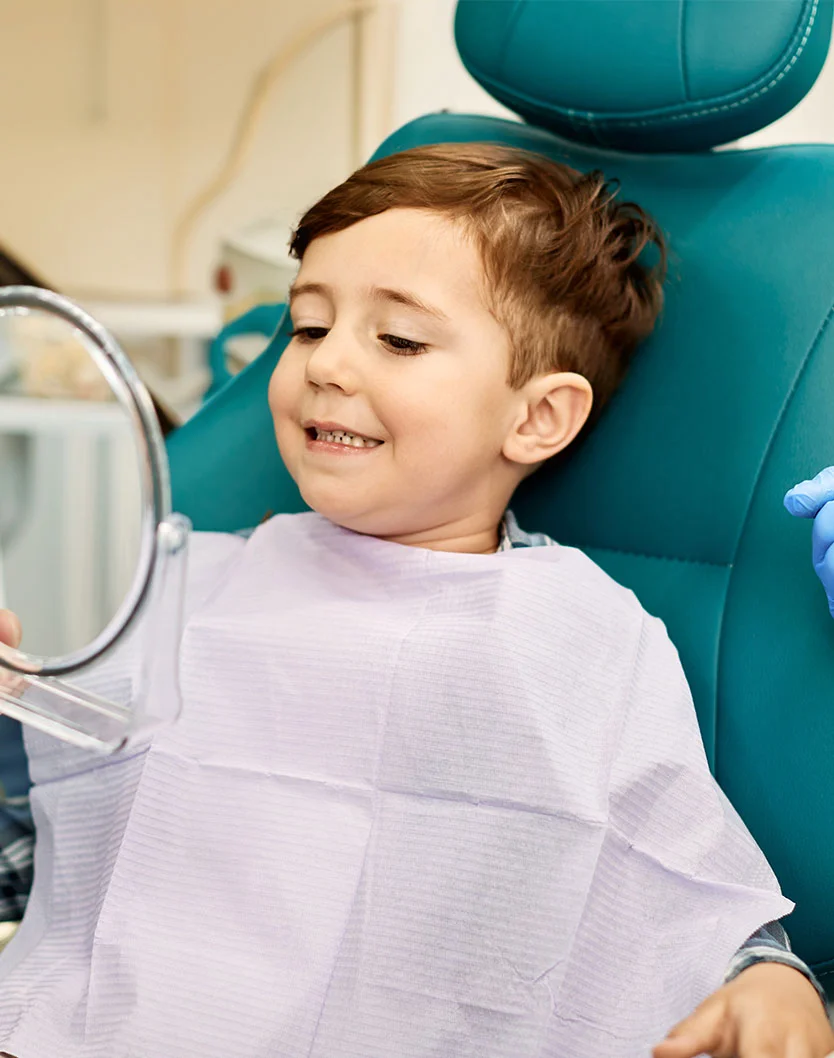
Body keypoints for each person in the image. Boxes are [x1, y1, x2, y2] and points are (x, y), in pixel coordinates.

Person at [0, 144, 831, 1058]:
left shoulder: (576, 637)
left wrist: (769, 980)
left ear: (537, 417)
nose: (326, 364)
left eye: (398, 339)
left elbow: (675, 874)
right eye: (308, 328)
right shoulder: (198, 577)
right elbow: (61, 818)